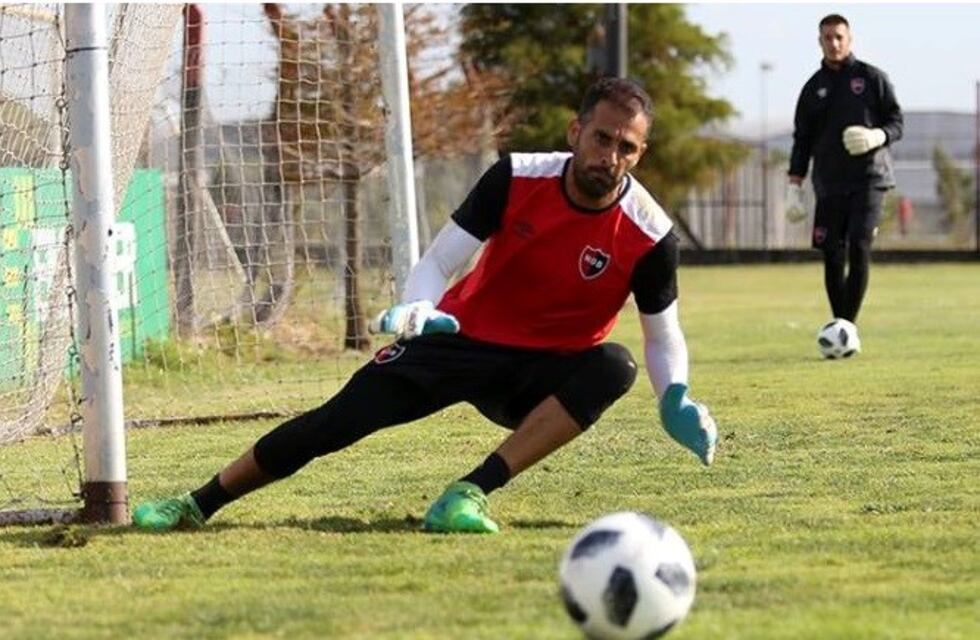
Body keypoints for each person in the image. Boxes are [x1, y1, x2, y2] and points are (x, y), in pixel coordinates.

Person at [133, 77, 717, 535]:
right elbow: (439, 262)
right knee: (333, 423)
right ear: (575, 132)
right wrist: (417, 307)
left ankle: (468, 493)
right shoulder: (515, 177)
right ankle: (196, 503)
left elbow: (661, 334)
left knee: (614, 365)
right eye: (603, 138)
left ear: (639, 154)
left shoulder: (651, 233)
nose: (611, 156)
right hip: (458, 338)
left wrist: (675, 397)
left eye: (627, 147)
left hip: (545, 374)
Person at [785, 14, 903, 336]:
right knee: (832, 252)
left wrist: (878, 135)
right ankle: (841, 324)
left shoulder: (871, 78)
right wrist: (794, 185)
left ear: (849, 39)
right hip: (829, 182)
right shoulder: (813, 89)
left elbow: (896, 122)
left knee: (859, 245)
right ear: (820, 41)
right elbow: (802, 138)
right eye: (827, 38)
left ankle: (846, 328)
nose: (834, 43)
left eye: (839, 37)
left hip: (869, 178)